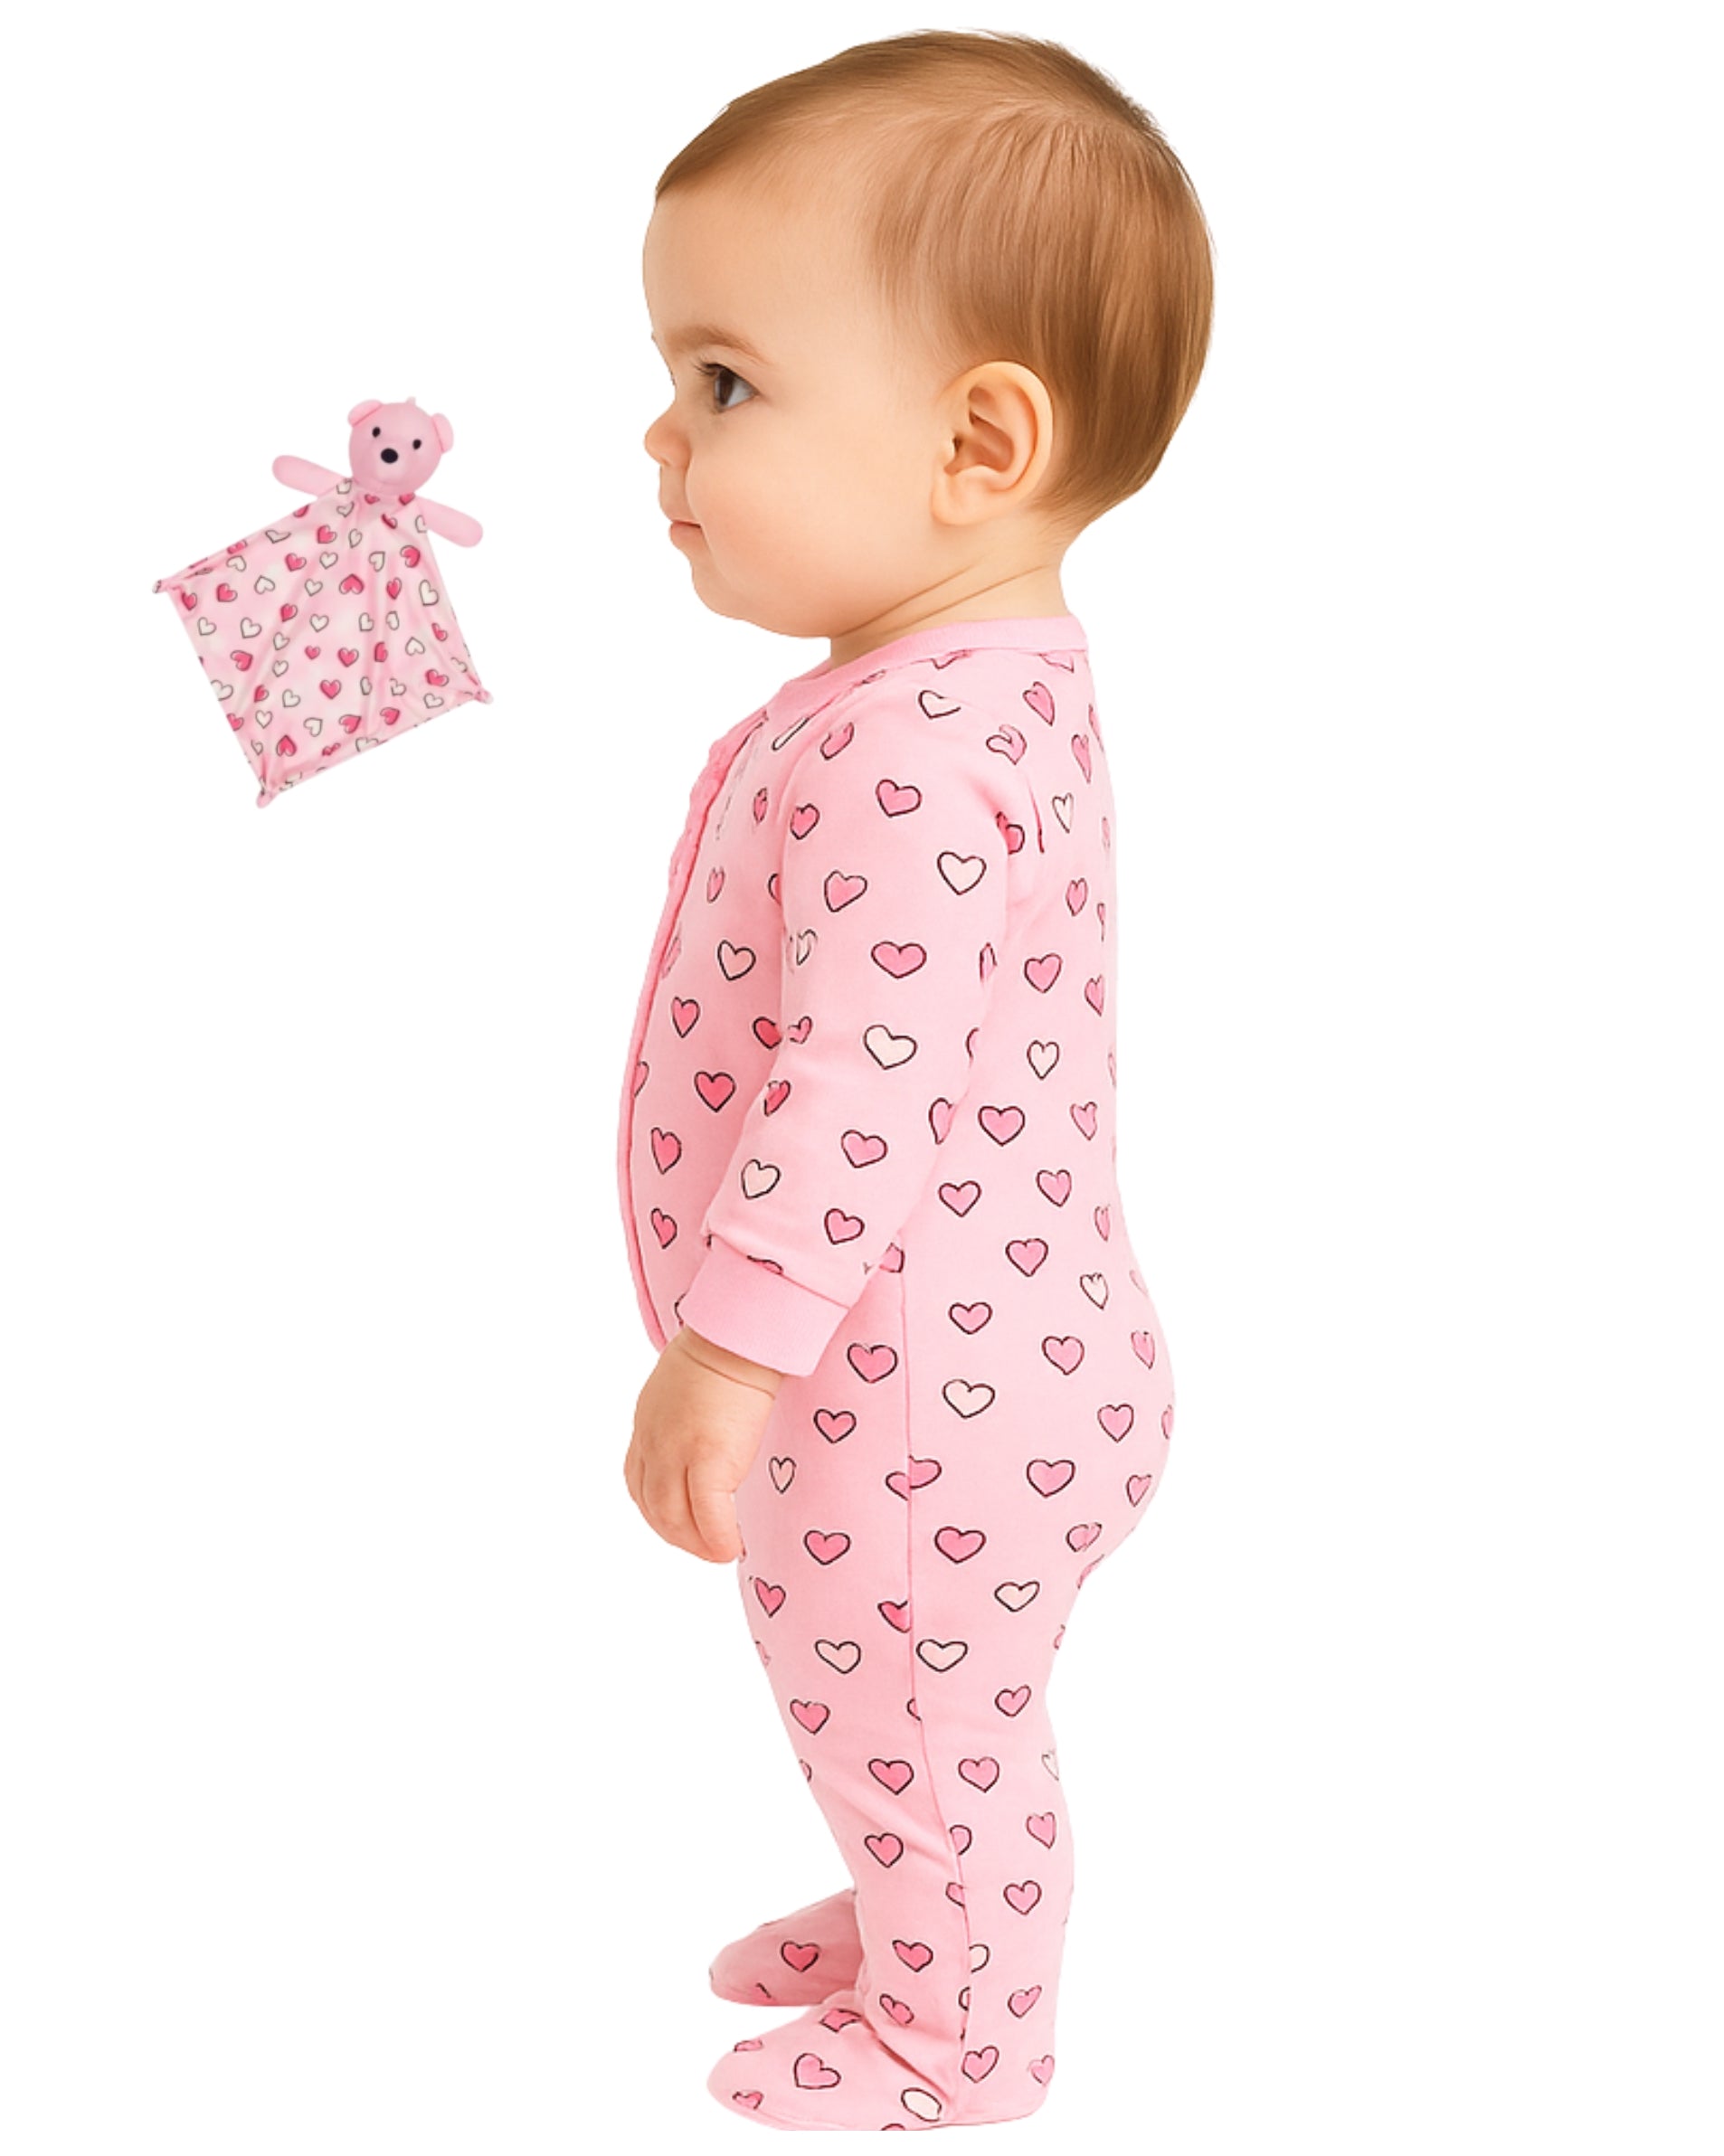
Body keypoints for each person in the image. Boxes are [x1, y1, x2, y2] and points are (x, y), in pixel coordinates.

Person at [618, 29, 1213, 2130]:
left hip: (915, 1393)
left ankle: (958, 2029)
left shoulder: (913, 747)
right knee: (896, 1699)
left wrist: (726, 1350)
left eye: (724, 381)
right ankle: (918, 1904)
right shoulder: (963, 686)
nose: (660, 433)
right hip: (980, 1366)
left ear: (976, 442)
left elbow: (851, 1092)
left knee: (919, 1712)